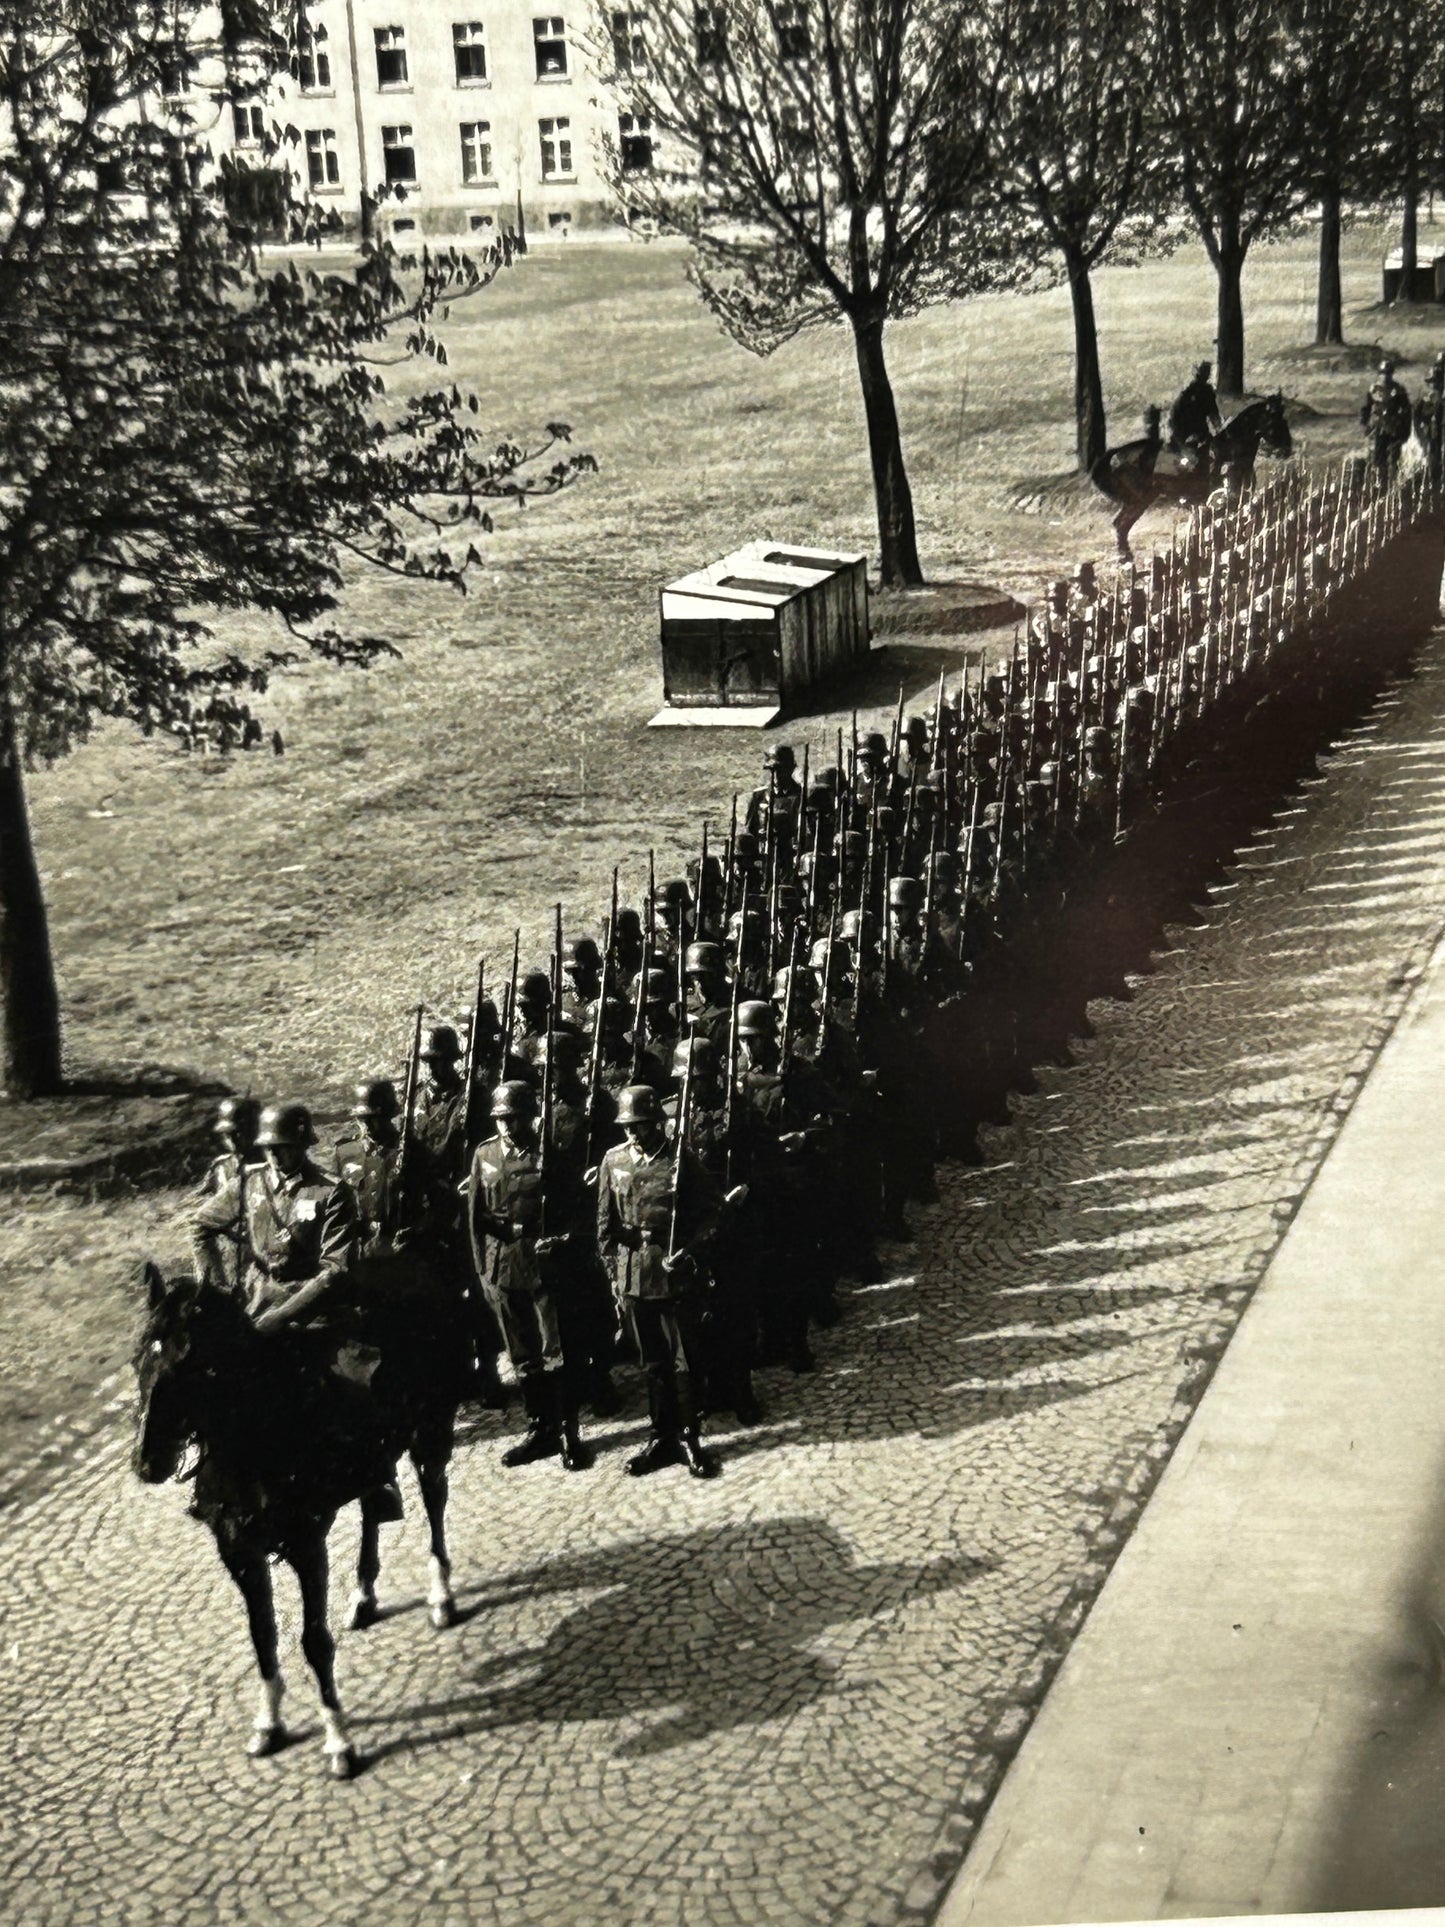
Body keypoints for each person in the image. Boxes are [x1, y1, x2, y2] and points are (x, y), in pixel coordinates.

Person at [190, 1099, 404, 1520]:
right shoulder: (249, 1185)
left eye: (285, 1146)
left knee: (354, 1393)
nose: (276, 1154)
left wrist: (281, 1317)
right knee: (209, 1384)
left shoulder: (330, 1191)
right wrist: (216, 1286)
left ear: (303, 1145)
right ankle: (212, 1482)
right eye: (270, 1146)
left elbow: (334, 1271)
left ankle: (376, 1481)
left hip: (316, 1317)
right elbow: (200, 1225)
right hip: (255, 1308)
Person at [595, 1084, 724, 1476]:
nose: (633, 1133)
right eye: (628, 1126)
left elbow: (714, 1213)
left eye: (641, 1125)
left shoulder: (680, 1159)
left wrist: (691, 1251)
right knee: (652, 1363)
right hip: (634, 1275)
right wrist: (615, 1279)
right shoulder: (613, 1161)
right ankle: (661, 1435)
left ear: (657, 1123)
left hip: (673, 1274)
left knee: (683, 1361)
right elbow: (605, 1226)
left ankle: (689, 1436)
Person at [466, 1081, 593, 1472]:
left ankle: (569, 1431)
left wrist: (561, 1250)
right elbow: (475, 1218)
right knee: (522, 1357)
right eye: (501, 1118)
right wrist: (483, 1272)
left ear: (529, 1116)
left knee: (557, 1355)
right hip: (502, 1270)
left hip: (543, 1269)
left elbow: (575, 1215)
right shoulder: (484, 1154)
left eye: (514, 1118)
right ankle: (540, 1429)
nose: (506, 1126)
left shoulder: (550, 1155)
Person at [1361, 357, 1412, 480]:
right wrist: (1365, 422)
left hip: (1394, 427)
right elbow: (1367, 407)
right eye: (1383, 373)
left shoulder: (1398, 390)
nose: (1385, 376)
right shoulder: (1374, 389)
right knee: (1378, 458)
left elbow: (1406, 410)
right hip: (1378, 428)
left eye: (1388, 373)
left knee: (1394, 456)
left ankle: (1394, 481)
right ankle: (1379, 481)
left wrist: (1404, 428)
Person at [1169, 361, 1223, 467]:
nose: (1206, 375)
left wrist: (1218, 427)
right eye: (1204, 372)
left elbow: (1213, 413)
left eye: (1207, 373)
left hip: (1200, 433)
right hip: (1185, 432)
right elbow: (1176, 412)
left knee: (1209, 455)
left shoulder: (1207, 392)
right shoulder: (1189, 392)